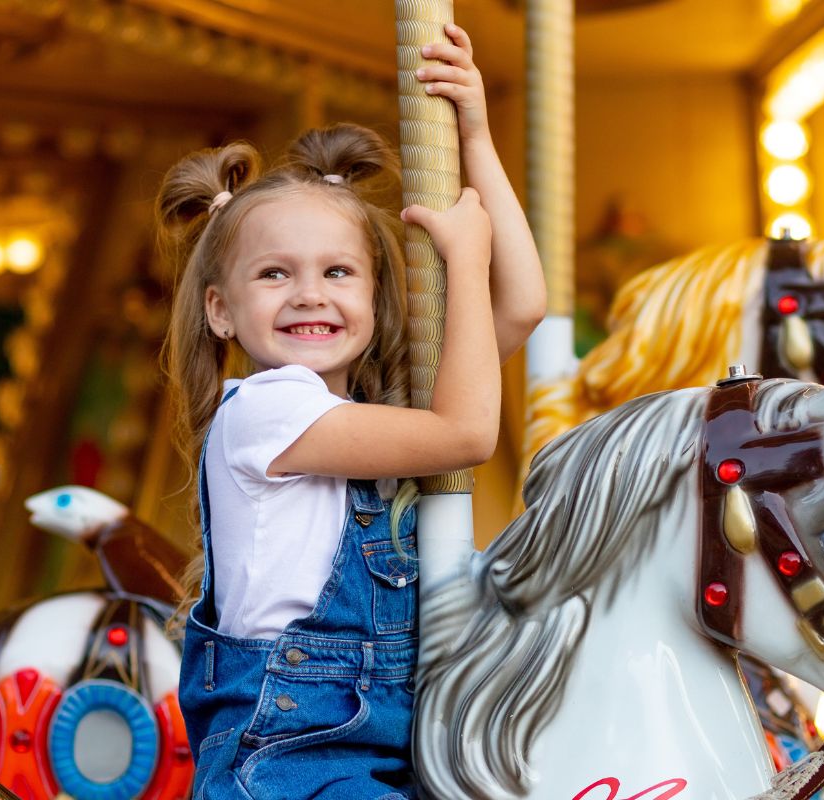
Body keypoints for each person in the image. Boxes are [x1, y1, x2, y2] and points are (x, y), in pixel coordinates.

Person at [157, 24, 544, 800]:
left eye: (337, 271)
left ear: (373, 296)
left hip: (387, 739)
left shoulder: (366, 415)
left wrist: (476, 132)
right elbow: (464, 433)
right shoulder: (263, 412)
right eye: (274, 273)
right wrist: (463, 259)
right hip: (290, 755)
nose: (309, 293)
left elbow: (524, 305)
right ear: (221, 311)